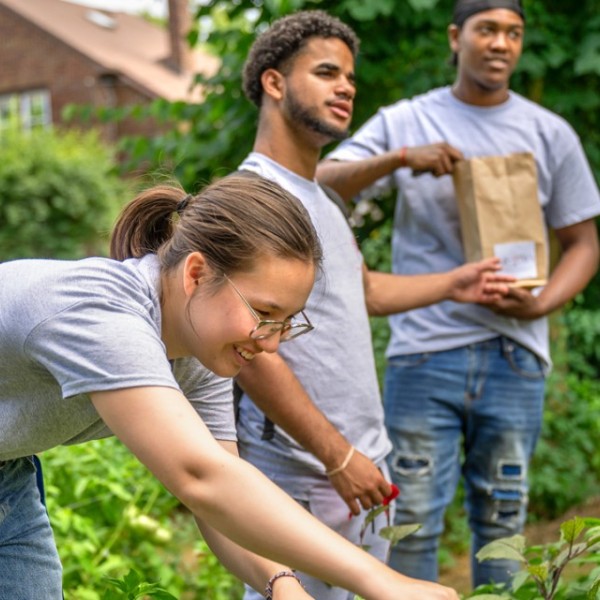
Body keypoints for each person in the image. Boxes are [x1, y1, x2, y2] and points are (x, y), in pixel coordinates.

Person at [0, 174, 466, 600]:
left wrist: (284, 586)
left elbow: (219, 500)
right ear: (197, 274)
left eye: (287, 323)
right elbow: (202, 479)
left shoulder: (200, 354)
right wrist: (383, 583)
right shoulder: (99, 315)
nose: (272, 342)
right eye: (264, 314)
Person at [317, 0, 600, 589]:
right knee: (412, 518)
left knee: (504, 520)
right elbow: (322, 179)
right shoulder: (407, 121)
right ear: (456, 37)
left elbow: (583, 244)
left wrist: (543, 304)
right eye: (487, 29)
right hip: (425, 352)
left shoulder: (550, 133)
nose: (501, 43)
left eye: (514, 33)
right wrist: (398, 160)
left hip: (516, 354)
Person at [234, 10, 513, 599]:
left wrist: (455, 282)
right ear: (274, 83)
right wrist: (337, 456)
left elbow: (364, 292)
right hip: (303, 475)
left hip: (362, 472)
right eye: (327, 72)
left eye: (351, 78)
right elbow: (250, 348)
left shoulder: (322, 199)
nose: (346, 88)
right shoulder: (254, 199)